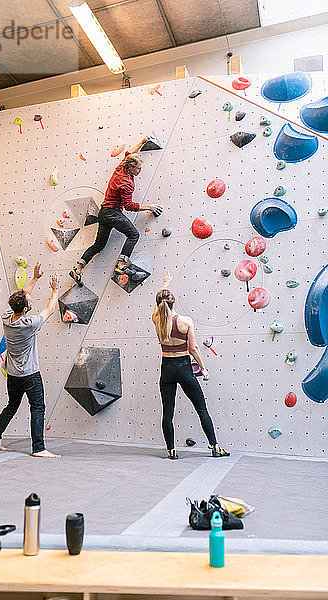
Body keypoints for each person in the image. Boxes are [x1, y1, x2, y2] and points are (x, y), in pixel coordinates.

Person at [152, 271, 230, 460]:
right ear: (174, 302)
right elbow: (193, 348)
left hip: (167, 368)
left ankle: (171, 452)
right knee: (201, 408)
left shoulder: (156, 319)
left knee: (167, 412)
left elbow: (159, 306)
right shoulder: (185, 322)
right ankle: (215, 448)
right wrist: (203, 369)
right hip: (184, 367)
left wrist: (164, 284)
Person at [0, 262, 61, 458]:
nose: (30, 298)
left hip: (13, 374)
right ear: (26, 308)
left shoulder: (7, 318)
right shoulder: (30, 323)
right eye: (29, 300)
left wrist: (35, 278)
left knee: (11, 406)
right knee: (37, 407)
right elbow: (50, 309)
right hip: (29, 374)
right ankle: (39, 448)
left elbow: (20, 296)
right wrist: (54, 290)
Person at [69, 135, 163, 286]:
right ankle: (121, 265)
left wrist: (142, 141)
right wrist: (149, 207)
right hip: (113, 213)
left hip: (104, 213)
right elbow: (129, 206)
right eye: (138, 168)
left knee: (98, 245)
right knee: (133, 234)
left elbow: (128, 153)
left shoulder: (121, 167)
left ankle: (78, 268)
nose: (140, 171)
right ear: (131, 167)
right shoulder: (126, 183)